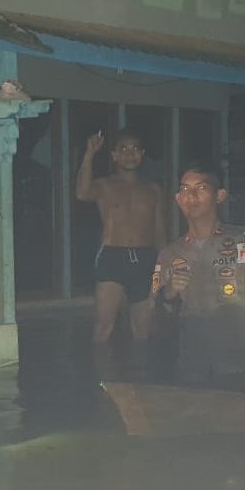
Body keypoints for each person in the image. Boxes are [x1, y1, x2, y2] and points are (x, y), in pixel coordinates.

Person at [150, 164, 245, 388]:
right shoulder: (168, 255)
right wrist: (168, 294)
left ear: (220, 195)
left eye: (201, 187)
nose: (191, 196)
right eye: (184, 189)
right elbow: (152, 322)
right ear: (177, 199)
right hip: (192, 371)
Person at [76, 129, 165, 345]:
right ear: (115, 155)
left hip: (145, 258)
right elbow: (81, 193)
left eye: (135, 149)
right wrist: (89, 154)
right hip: (113, 257)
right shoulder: (105, 185)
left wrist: (163, 265)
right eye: (123, 149)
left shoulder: (153, 189)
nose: (129, 154)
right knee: (103, 326)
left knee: (142, 330)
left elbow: (160, 229)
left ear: (142, 154)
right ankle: (99, 379)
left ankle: (140, 377)